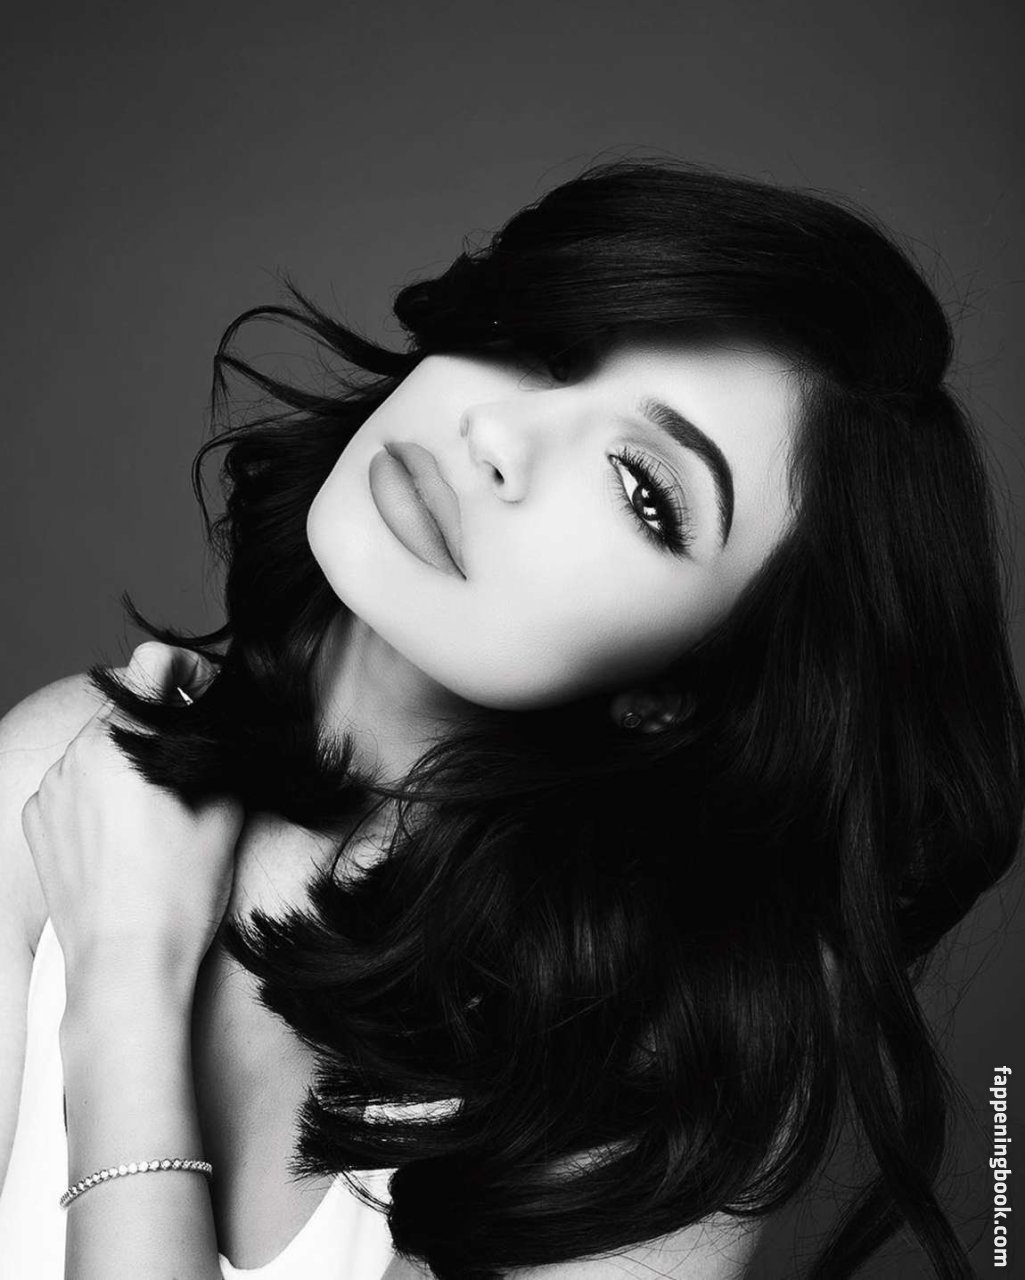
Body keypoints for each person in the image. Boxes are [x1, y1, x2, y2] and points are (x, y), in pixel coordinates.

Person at [0, 158, 1022, 1280]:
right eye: (547, 348)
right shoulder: (71, 772)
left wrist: (126, 979)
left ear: (683, 685)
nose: (496, 434)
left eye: (641, 489)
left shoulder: (660, 1071)